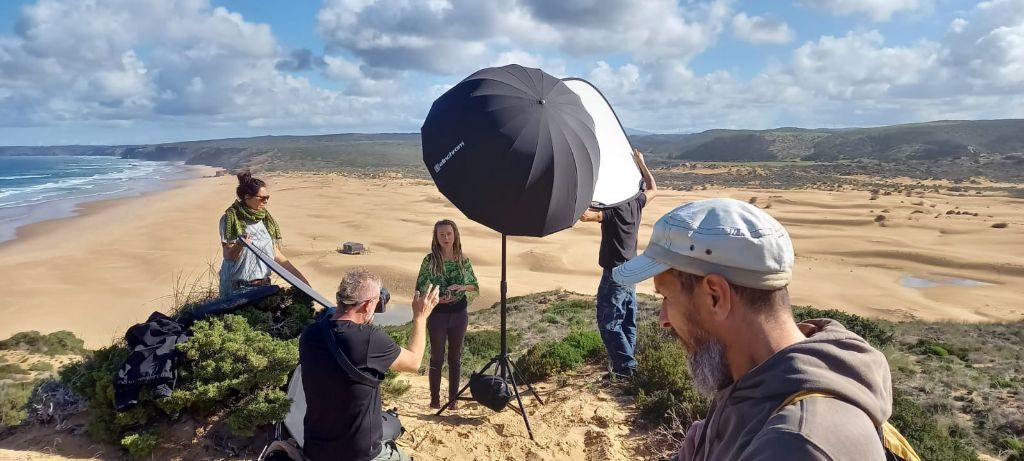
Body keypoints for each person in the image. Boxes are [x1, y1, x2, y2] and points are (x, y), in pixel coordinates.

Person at [612, 198, 894, 461]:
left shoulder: (797, 445)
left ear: (715, 296)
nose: (663, 319)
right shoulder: (754, 384)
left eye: (667, 298)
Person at [299, 268, 440, 461]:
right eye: (376, 302)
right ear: (366, 306)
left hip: (316, 450)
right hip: (359, 454)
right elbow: (414, 362)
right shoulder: (370, 340)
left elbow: (338, 329)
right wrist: (420, 318)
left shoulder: (309, 335)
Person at [579, 148, 657, 379]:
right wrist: (642, 163)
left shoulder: (615, 209)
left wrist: (579, 187)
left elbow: (584, 215)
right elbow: (654, 189)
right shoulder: (636, 202)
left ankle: (626, 370)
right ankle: (627, 366)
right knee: (627, 321)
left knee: (609, 322)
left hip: (617, 272)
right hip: (632, 269)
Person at [414, 219, 480, 409]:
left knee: (455, 358)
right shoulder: (429, 261)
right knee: (436, 357)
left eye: (449, 234)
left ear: (455, 235)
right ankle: (434, 400)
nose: (445, 237)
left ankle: (453, 400)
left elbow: (474, 286)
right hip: (437, 315)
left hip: (459, 313)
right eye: (441, 234)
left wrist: (461, 286)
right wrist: (436, 299)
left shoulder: (463, 260)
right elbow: (419, 287)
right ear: (435, 237)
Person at [218, 171, 308, 296]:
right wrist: (239, 244)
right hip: (237, 288)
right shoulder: (230, 219)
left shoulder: (266, 220)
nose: (266, 201)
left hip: (264, 287)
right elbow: (228, 256)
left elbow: (276, 255)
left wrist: (302, 282)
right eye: (262, 198)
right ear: (247, 197)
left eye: (268, 198)